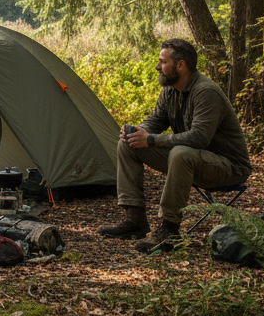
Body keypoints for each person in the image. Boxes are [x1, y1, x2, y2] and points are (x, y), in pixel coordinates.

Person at [97, 38, 251, 253]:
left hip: (227, 167)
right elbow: (155, 121)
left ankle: (169, 230)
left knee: (180, 153)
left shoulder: (206, 92)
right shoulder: (170, 90)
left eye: (162, 61)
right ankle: (135, 221)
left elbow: (199, 138)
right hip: (192, 161)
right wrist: (136, 131)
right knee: (128, 144)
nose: (157, 66)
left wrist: (150, 139)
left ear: (180, 65)